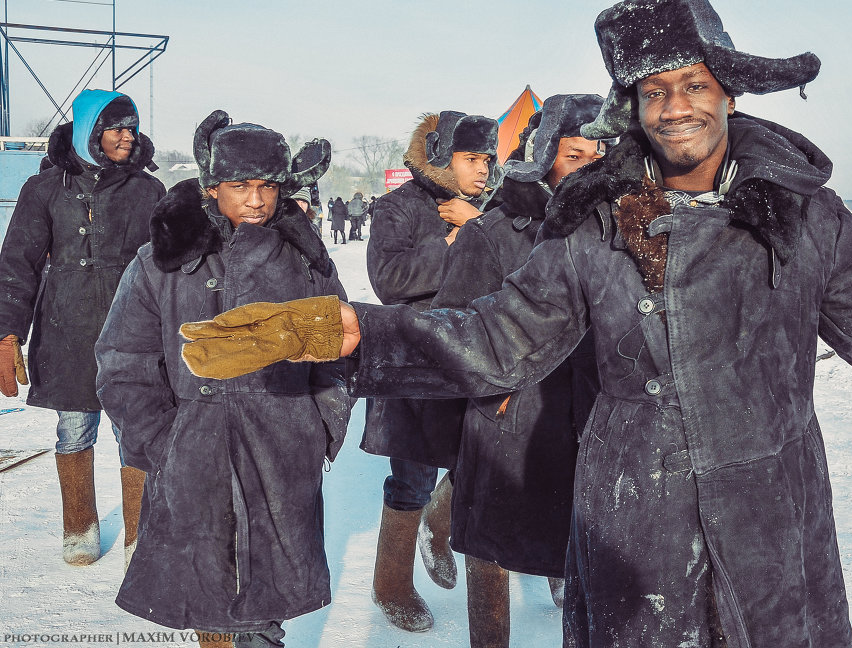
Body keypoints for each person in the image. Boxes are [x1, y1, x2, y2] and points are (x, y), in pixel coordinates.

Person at [178, 0, 852, 648]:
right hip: (626, 534)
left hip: (772, 535)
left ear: (726, 93)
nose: (676, 103)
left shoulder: (804, 218)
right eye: (654, 88)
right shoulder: (590, 228)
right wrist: (354, 333)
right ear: (633, 105)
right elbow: (496, 338)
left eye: (695, 82)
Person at [95, 112, 350, 648]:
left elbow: (339, 352)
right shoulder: (158, 265)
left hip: (281, 445)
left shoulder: (305, 264)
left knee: (267, 595)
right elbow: (124, 362)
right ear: (212, 189)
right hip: (193, 451)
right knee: (207, 592)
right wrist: (162, 440)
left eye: (267, 186)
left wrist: (321, 423)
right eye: (239, 186)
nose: (255, 200)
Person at [431, 95, 606, 647]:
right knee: (493, 546)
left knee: (587, 552)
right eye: (576, 155)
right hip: (508, 417)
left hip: (589, 415)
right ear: (544, 155)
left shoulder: (613, 227)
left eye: (599, 155)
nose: (589, 169)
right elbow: (456, 332)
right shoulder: (493, 233)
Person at [0, 89, 163, 567]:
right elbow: (16, 265)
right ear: (90, 131)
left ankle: (139, 535)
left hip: (132, 329)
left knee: (136, 432)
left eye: (131, 127)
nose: (126, 137)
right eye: (115, 128)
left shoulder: (148, 191)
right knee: (74, 429)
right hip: (65, 327)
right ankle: (80, 527)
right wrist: (8, 332)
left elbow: (172, 266)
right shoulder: (44, 189)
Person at [363, 111, 501, 632]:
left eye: (487, 158)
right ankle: (390, 582)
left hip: (478, 355)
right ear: (441, 157)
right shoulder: (396, 208)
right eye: (472, 159)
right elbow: (389, 280)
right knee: (410, 478)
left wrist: (480, 228)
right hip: (415, 363)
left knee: (478, 462)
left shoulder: (491, 208)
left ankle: (439, 526)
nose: (484, 169)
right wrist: (450, 243)